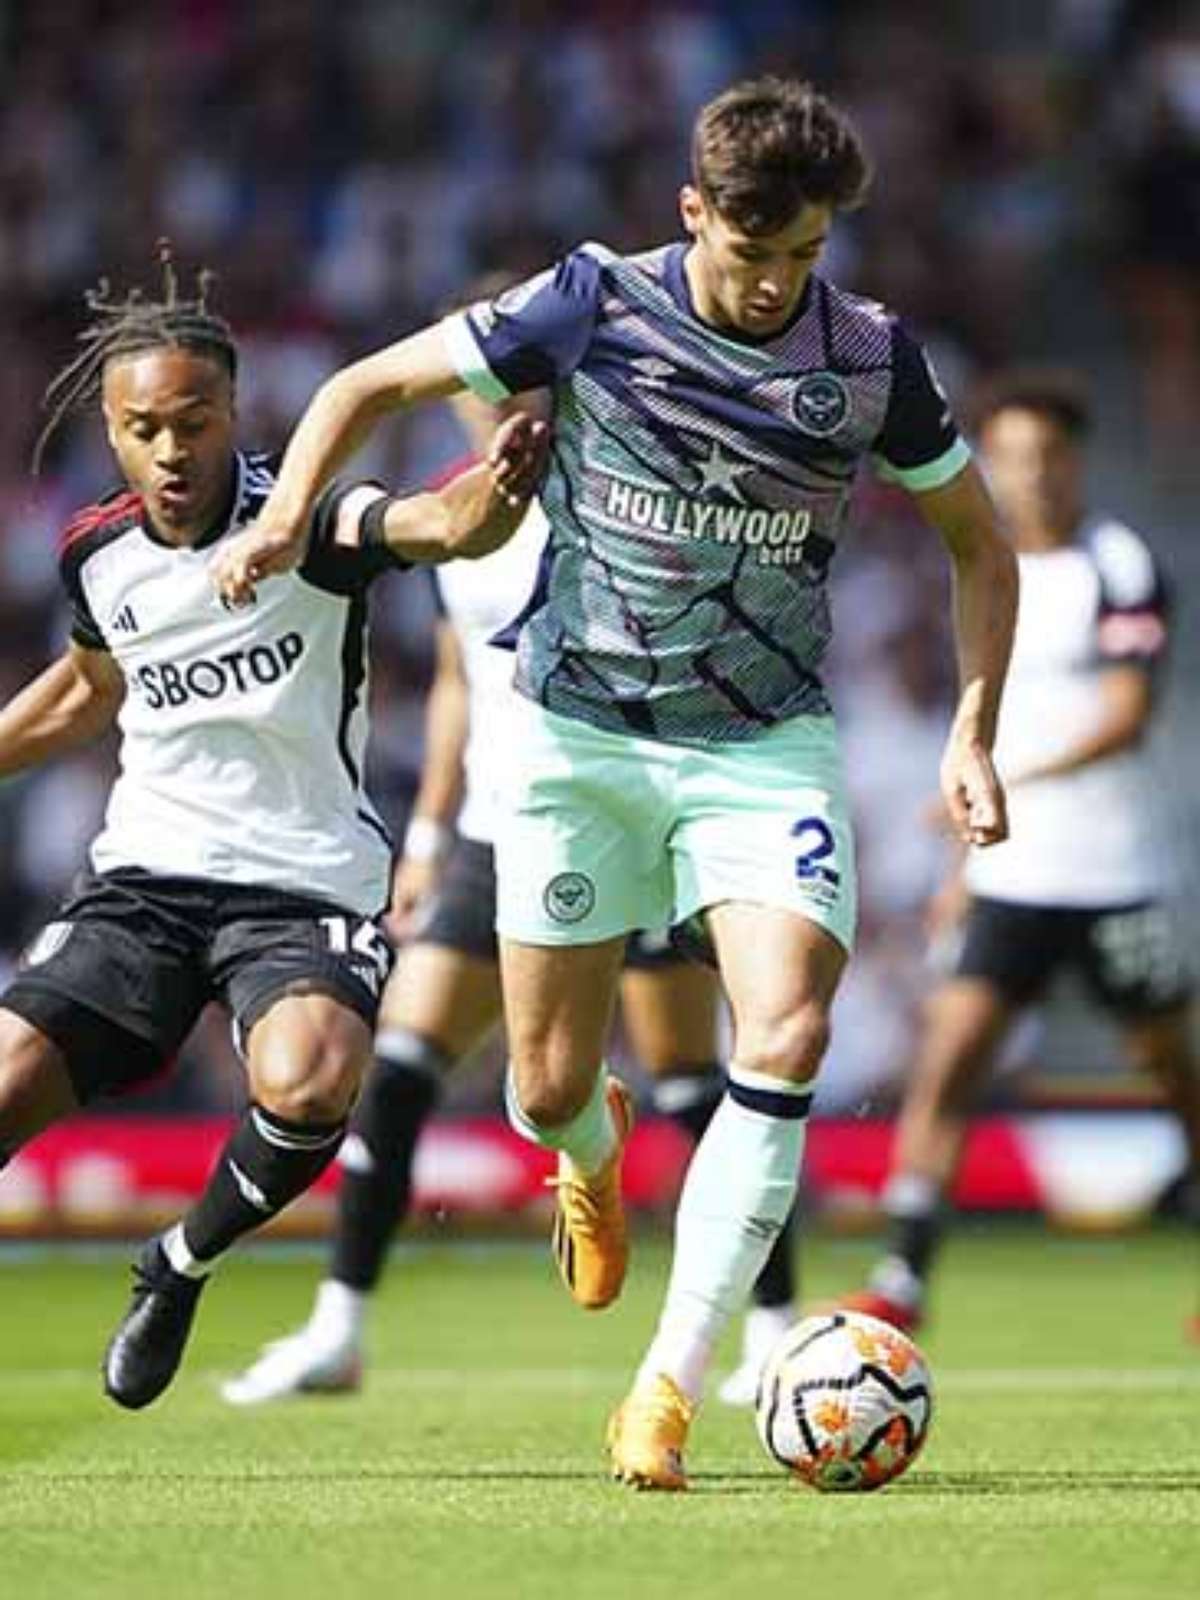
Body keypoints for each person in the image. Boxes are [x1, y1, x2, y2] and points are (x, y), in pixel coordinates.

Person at [211, 76, 1017, 1489]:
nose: (774, 286)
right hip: (577, 744)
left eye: (803, 258)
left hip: (764, 745)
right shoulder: (592, 301)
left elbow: (977, 543)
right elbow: (362, 384)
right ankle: (587, 1152)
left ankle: (667, 1391)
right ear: (693, 211)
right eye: (750, 253)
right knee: (543, 1081)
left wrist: (971, 730)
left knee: (784, 1038)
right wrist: (285, 522)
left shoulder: (874, 359)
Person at [0, 247, 545, 1410]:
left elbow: (436, 524)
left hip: (301, 886)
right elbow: (88, 690)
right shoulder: (97, 553)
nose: (169, 449)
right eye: (142, 427)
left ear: (233, 415)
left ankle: (178, 1261)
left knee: (311, 1081)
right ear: (112, 429)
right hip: (143, 878)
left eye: (191, 421)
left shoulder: (311, 518)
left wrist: (487, 500)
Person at [220, 376, 799, 1407]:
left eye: (516, 387)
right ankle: (337, 1325)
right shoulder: (450, 517)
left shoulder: (622, 495)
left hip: (633, 822)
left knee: (691, 1083)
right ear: (452, 405)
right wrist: (433, 830)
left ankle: (772, 1325)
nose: (495, 409)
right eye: (474, 393)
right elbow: (455, 679)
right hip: (497, 830)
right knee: (397, 1068)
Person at [837, 369, 1200, 1336]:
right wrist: (962, 871)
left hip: (1116, 874)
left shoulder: (1116, 564)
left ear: (1073, 462)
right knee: (948, 1064)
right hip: (1010, 876)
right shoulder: (983, 571)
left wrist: (1005, 777)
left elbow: (1125, 715)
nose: (1031, 476)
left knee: (1172, 1070)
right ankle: (902, 1279)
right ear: (988, 466)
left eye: (1047, 457)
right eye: (1012, 458)